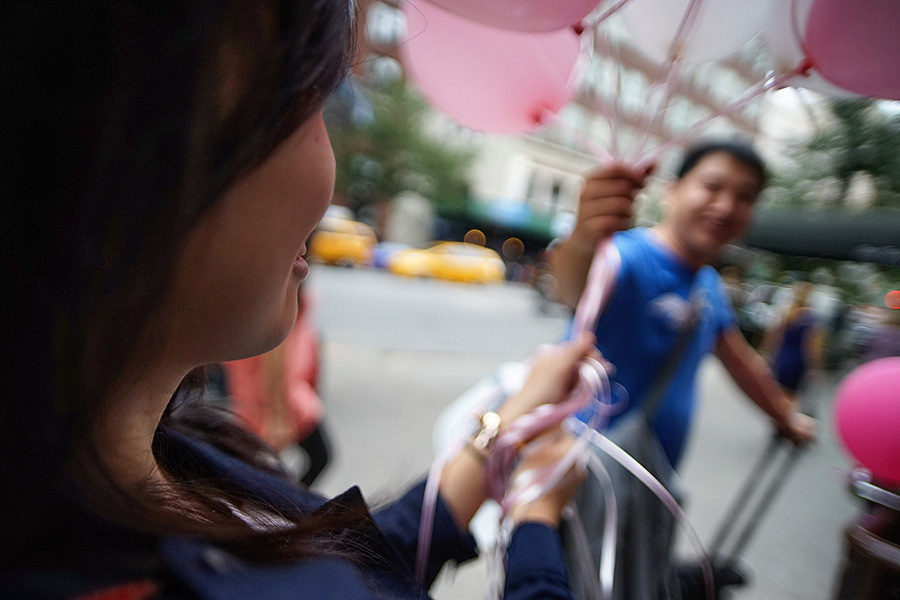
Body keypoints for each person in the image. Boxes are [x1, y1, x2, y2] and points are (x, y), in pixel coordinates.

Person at [0, 2, 593, 598]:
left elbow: (349, 567)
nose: (329, 175)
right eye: (310, 101)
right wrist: (537, 530)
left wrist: (499, 436)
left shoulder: (152, 458)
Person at [551, 140, 815, 469]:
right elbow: (572, 289)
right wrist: (585, 233)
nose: (725, 206)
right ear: (672, 191)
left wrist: (786, 418)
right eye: (712, 186)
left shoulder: (708, 285)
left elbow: (739, 359)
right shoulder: (626, 255)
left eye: (745, 197)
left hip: (652, 480)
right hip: (574, 469)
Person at [223, 286, 332, 487]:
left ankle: (288, 505)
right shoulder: (278, 290)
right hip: (278, 400)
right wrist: (277, 415)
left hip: (270, 398)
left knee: (254, 472)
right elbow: (275, 356)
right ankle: (289, 507)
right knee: (317, 458)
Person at [760, 281, 826, 405]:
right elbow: (812, 347)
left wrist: (767, 354)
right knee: (791, 396)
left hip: (782, 355)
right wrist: (815, 367)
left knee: (777, 392)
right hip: (797, 360)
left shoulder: (785, 313)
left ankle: (776, 418)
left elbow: (772, 336)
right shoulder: (811, 318)